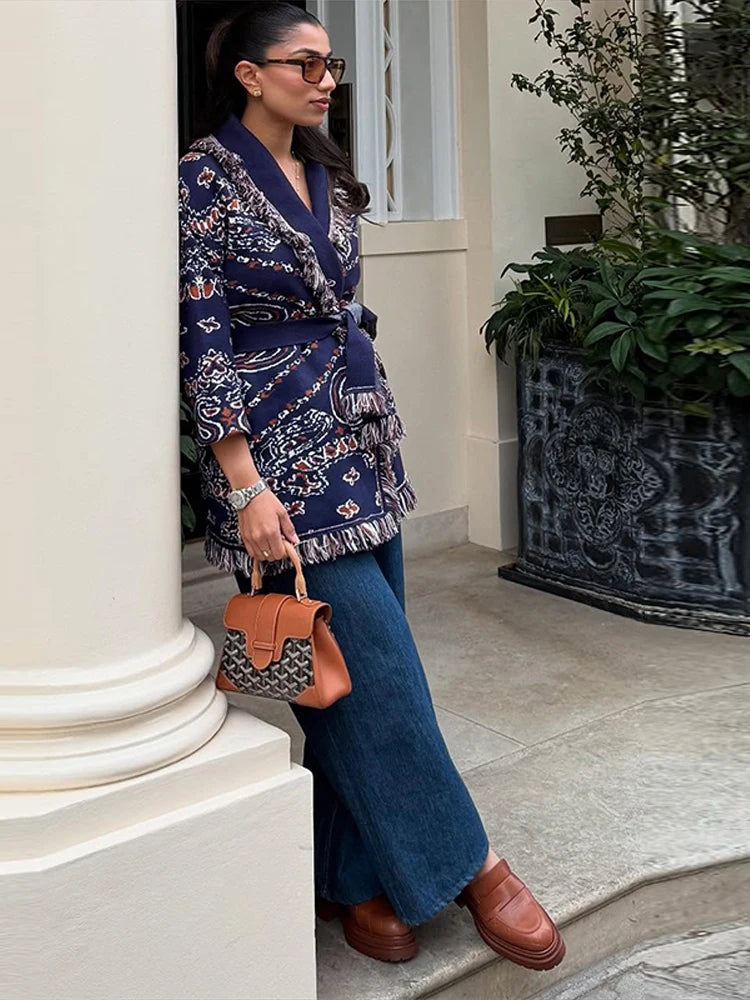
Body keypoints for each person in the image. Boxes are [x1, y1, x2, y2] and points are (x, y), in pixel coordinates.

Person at [178, 1, 564, 971]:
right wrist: (241, 485)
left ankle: (346, 880)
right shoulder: (197, 182)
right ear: (248, 74)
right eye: (303, 63)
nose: (325, 79)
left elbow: (345, 303)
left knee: (338, 677)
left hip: (363, 443)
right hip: (276, 466)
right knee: (379, 677)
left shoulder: (331, 181)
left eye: (332, 65)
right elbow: (202, 342)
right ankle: (474, 868)